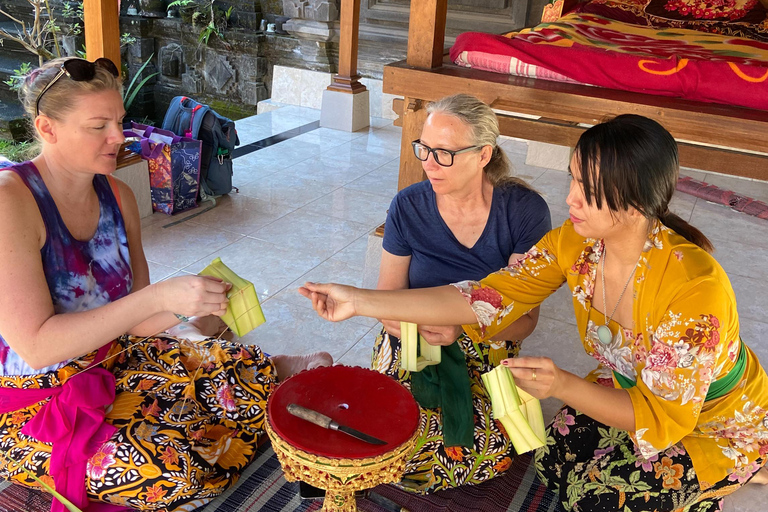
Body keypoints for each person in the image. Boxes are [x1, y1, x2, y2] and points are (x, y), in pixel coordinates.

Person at [300, 114, 768, 511]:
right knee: (556, 458)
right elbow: (484, 298)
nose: (570, 199)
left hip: (711, 419)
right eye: (573, 179)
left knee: (600, 498)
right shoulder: (576, 244)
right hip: (632, 387)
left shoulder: (695, 291)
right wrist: (359, 301)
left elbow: (661, 415)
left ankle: (747, 464)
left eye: (589, 188)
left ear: (636, 200)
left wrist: (561, 383)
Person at [0, 57, 332, 511]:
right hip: (32, 403)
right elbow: (36, 347)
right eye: (99, 126)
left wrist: (190, 302)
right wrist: (160, 298)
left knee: (236, 397)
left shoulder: (117, 195)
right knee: (179, 474)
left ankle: (261, 372)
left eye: (118, 121)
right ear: (48, 127)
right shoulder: (11, 202)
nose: (119, 138)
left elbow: (137, 321)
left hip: (115, 357)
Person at [374, 94, 550, 492]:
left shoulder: (524, 212)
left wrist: (460, 327)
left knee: (480, 447)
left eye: (445, 153)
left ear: (484, 154)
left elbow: (523, 322)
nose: (429, 164)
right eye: (424, 148)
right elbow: (387, 299)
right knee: (389, 431)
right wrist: (421, 325)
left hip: (486, 341)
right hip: (412, 333)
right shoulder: (408, 206)